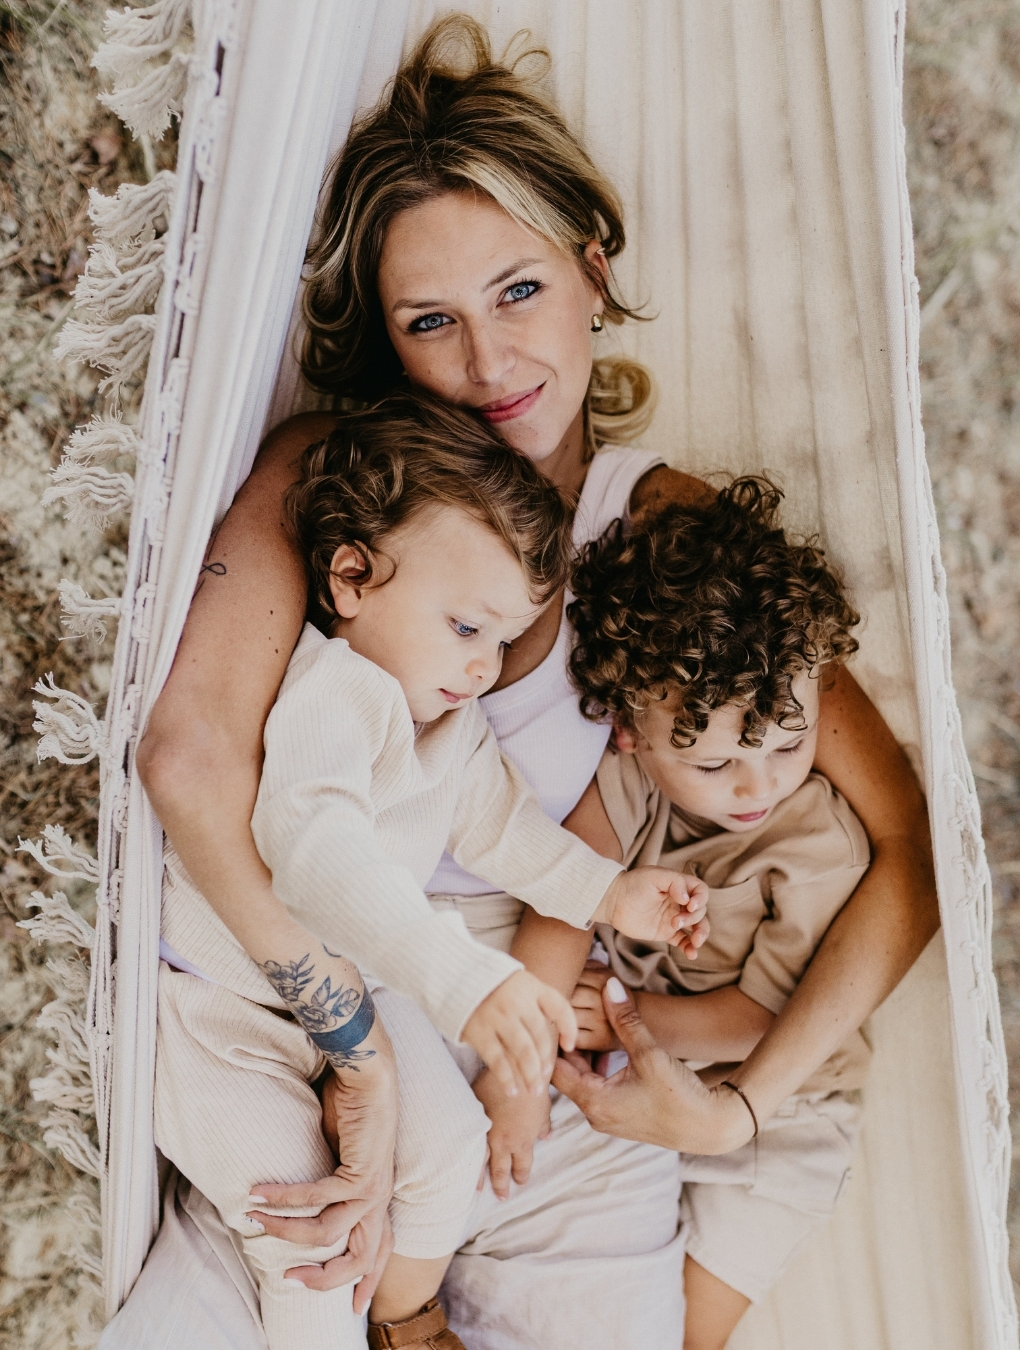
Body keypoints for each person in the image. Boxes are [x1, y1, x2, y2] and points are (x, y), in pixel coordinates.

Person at [109, 14, 937, 1350]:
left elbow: (908, 848)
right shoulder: (337, 483)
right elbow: (190, 764)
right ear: (383, 338)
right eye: (429, 320)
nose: (487, 364)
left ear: (593, 268)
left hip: (536, 1054)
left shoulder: (661, 530)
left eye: (519, 291)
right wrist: (360, 1046)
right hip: (283, 987)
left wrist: (739, 1107)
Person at [153, 391, 709, 1350]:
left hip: (357, 990)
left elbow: (505, 833)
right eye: (465, 628)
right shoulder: (338, 692)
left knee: (446, 1155)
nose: (486, 665)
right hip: (227, 1013)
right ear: (353, 577)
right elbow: (315, 853)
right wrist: (460, 979)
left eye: (503, 638)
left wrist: (610, 894)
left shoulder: (449, 721)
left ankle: (404, 1324)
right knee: (307, 1237)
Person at [562, 478, 871, 1349]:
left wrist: (624, 1021)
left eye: (789, 741)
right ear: (627, 728)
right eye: (716, 763)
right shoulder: (625, 780)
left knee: (687, 1336)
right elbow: (566, 884)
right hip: (648, 1077)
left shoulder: (816, 846)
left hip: (784, 1111)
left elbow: (762, 1019)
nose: (759, 785)